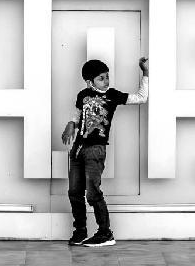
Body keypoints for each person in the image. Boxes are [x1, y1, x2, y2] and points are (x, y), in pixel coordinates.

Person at [61, 56, 149, 247]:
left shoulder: (113, 95)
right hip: (77, 149)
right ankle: (80, 231)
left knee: (93, 193)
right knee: (74, 192)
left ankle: (105, 232)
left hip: (95, 150)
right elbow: (77, 114)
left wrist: (145, 73)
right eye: (101, 78)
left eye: (107, 76)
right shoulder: (82, 95)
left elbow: (141, 98)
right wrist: (70, 124)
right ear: (89, 82)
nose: (106, 81)